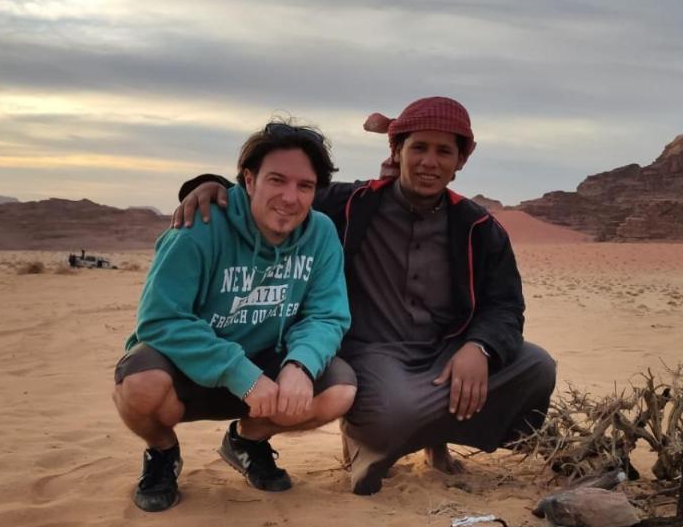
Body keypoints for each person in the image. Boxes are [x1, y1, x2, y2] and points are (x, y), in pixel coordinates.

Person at [176, 97, 556, 495]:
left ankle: (433, 442)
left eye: (444, 151)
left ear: (461, 159)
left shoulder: (479, 225)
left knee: (537, 367)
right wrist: (209, 186)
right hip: (374, 353)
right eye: (419, 148)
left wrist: (480, 347)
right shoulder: (351, 204)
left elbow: (505, 305)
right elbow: (280, 192)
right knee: (392, 413)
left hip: (448, 352)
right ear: (397, 150)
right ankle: (369, 447)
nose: (430, 161)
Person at [113, 120, 356, 512]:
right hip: (188, 366)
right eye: (276, 180)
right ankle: (162, 453)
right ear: (248, 178)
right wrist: (240, 374)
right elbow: (159, 319)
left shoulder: (321, 233)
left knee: (337, 390)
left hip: (267, 363)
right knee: (141, 385)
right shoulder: (198, 226)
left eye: (304, 186)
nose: (290, 197)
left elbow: (327, 314)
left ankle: (247, 442)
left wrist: (301, 364)